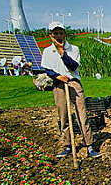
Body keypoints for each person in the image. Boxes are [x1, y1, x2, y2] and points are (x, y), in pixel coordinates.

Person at [41, 21, 101, 159]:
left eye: (61, 33)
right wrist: (57, 76)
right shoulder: (47, 51)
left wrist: (62, 52)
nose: (58, 36)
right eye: (55, 33)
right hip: (59, 85)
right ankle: (68, 145)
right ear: (51, 35)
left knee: (82, 114)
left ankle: (89, 146)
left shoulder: (73, 49)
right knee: (63, 115)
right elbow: (48, 69)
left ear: (65, 34)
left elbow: (73, 66)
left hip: (74, 83)